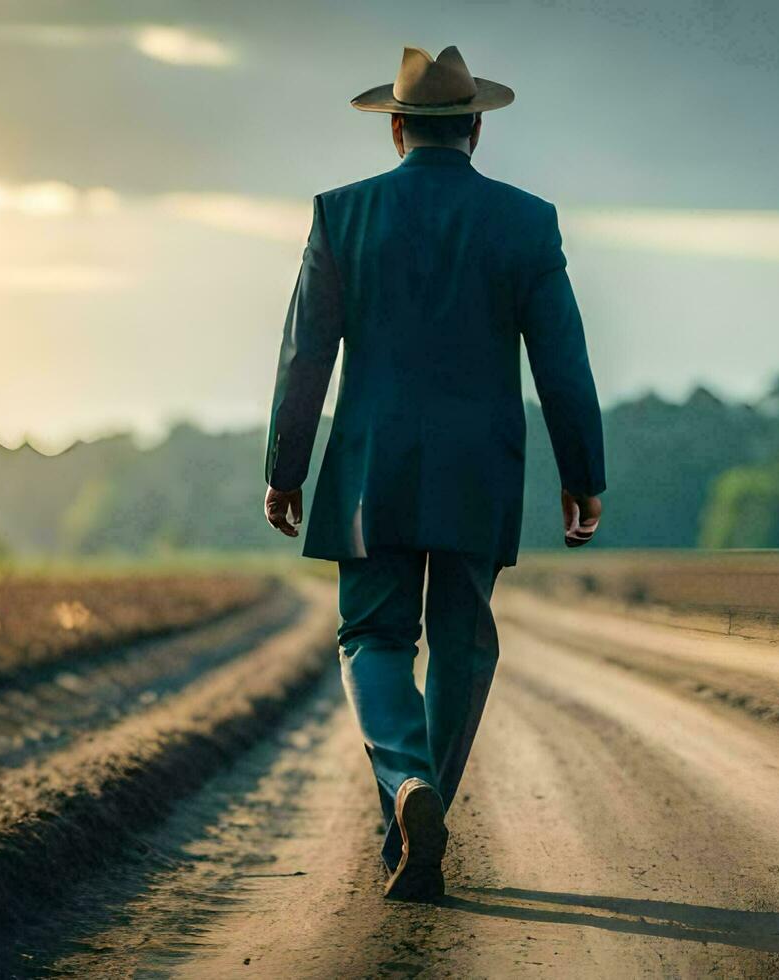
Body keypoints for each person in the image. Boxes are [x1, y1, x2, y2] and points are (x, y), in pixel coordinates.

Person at [261, 45, 605, 902]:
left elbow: (306, 354)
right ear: (478, 129)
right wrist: (582, 473)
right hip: (479, 471)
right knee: (463, 644)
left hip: (372, 469)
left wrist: (285, 467)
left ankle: (406, 784)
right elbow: (562, 361)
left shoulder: (342, 215)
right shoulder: (528, 223)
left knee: (373, 640)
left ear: (397, 129)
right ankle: (426, 809)